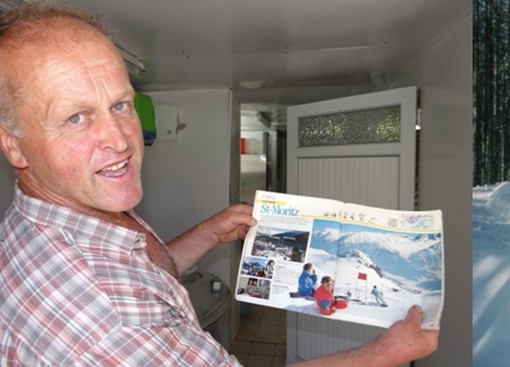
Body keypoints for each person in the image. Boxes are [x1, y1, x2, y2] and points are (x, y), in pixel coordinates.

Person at [0, 4, 438, 366]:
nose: (120, 140)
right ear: (13, 145)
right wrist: (385, 352)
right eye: (75, 118)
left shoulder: (68, 209)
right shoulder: (108, 322)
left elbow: (146, 272)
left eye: (120, 104)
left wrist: (210, 231)